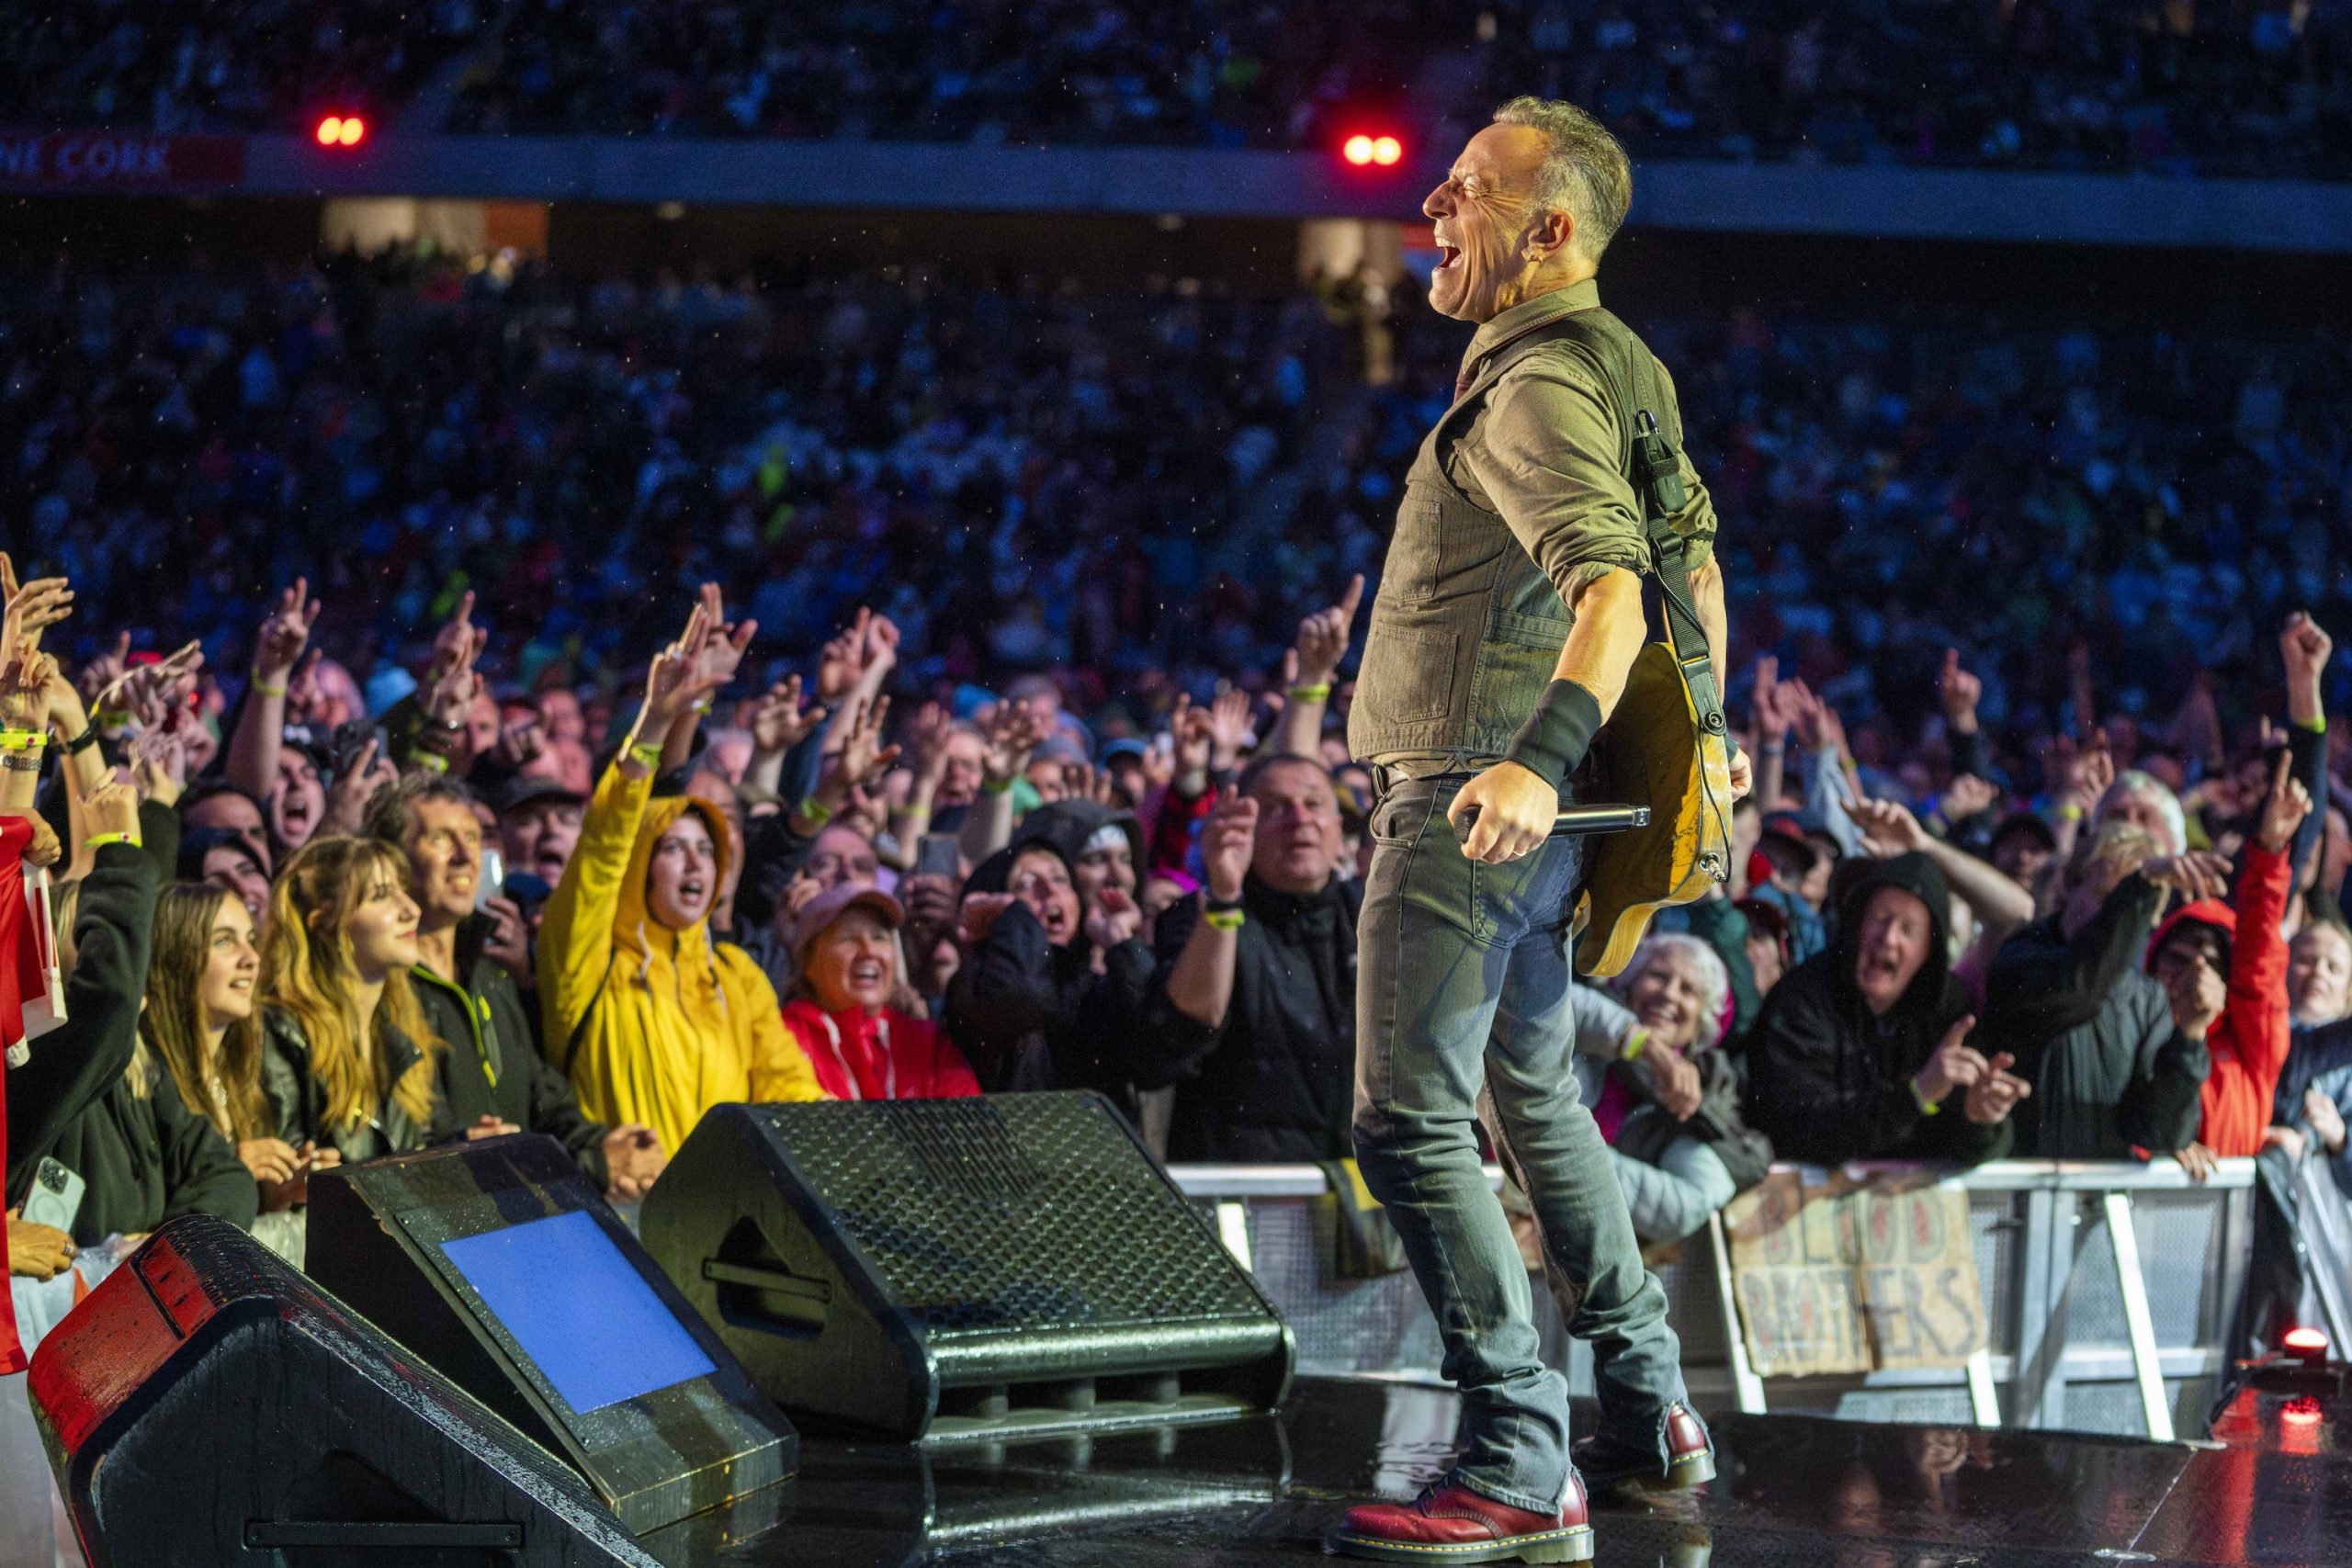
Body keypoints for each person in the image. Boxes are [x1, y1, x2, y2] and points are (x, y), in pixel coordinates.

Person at [1331, 98, 1740, 1561]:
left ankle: (1514, 1449)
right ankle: (1645, 1405)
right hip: (1534, 809)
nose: (1433, 200)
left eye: (1468, 188)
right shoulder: (1625, 371)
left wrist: (1533, 761)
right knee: (1534, 1091)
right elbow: (1695, 587)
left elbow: (1617, 596)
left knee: (1407, 1114)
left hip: (1474, 794)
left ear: (1550, 228)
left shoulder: (1534, 386)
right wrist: (1704, 744)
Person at [539, 607, 823, 1156]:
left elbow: (789, 1089)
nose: (696, 864)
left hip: (718, 1229)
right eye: (672, 848)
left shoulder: (736, 976)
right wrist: (652, 724)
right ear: (640, 864)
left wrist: (855, 1148)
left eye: (705, 850)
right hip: (620, 1219)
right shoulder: (587, 963)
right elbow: (601, 851)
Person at [365, 776, 667, 1200]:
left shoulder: (491, 978)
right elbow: (413, 1157)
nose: (465, 855)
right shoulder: (377, 988)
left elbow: (544, 1101)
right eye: (440, 839)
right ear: (393, 862)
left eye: (472, 838)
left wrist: (612, 1145)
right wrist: (595, 1167)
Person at [1130, 754, 1360, 1160]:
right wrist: (1223, 898)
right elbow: (1173, 1039)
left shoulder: (1372, 915)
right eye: (1274, 808)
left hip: (1359, 1194)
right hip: (1247, 1189)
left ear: (1339, 831)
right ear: (1243, 831)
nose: (1299, 819)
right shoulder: (1199, 914)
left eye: (1314, 804)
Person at [1747, 852, 2029, 1168]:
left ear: (1929, 949)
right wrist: (1915, 1096)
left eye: (1908, 929)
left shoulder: (1950, 1011)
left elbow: (1978, 1147)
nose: (1888, 938)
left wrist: (1980, 1120)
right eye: (1879, 919)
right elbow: (1798, 1130)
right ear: (1856, 924)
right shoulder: (1802, 1000)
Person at [135, 883, 322, 1258]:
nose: (251, 958)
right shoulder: (145, 1081)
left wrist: (276, 1194)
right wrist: (229, 1172)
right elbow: (143, 1229)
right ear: (176, 958)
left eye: (251, 939)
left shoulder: (251, 1078)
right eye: (224, 942)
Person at [2148, 755, 2308, 1173]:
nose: (2195, 973)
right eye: (2178, 960)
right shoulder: (2137, 1039)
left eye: (2211, 962)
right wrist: (2165, 1144)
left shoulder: (2251, 1047)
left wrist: (2270, 852)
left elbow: (2259, 955)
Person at [256, 835, 446, 1167]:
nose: (412, 910)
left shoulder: (400, 1026)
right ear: (325, 924)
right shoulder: (282, 1033)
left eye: (403, 891)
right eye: (382, 896)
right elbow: (289, 1176)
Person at [1590, 936, 1772, 1241]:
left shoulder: (1706, 1087)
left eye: (1688, 990)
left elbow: (1698, 1196)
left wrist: (1576, 1163)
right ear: (1630, 983)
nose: (1668, 995)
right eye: (1658, 976)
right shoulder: (1585, 1047)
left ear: (1703, 1019)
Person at [783, 883, 978, 1100]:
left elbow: (969, 1123)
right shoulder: (785, 1039)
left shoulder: (928, 1043)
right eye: (847, 938)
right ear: (807, 963)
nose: (869, 951)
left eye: (879, 937)